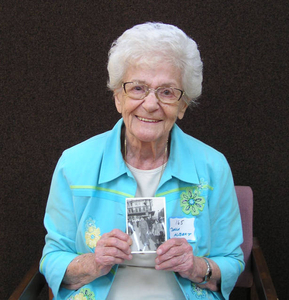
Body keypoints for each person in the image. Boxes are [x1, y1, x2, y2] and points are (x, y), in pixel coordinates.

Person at [40, 22, 244, 300]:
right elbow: (52, 258)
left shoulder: (212, 167)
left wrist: (195, 266)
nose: (150, 104)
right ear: (118, 98)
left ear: (183, 106)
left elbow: (232, 260)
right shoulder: (74, 164)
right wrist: (94, 262)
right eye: (137, 88)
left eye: (167, 92)